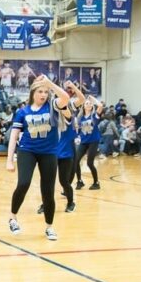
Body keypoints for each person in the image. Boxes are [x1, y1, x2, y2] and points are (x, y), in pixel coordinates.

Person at [6, 76, 70, 241]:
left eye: (46, 92)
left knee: (48, 192)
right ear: (33, 93)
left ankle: (49, 227)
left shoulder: (52, 106)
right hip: (27, 151)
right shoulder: (22, 112)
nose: (43, 94)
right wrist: (9, 160)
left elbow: (65, 98)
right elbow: (14, 136)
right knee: (24, 183)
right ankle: (13, 217)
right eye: (40, 91)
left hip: (49, 152)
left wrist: (49, 84)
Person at [39, 80, 84, 216]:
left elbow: (78, 99)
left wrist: (73, 86)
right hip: (50, 152)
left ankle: (71, 202)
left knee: (64, 181)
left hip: (65, 152)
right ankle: (46, 203)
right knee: (47, 181)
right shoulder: (49, 109)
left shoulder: (67, 109)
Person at [74, 96, 104, 190]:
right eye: (87, 103)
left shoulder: (94, 115)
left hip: (93, 141)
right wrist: (77, 137)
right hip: (83, 141)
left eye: (90, 103)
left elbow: (100, 106)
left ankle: (96, 182)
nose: (89, 104)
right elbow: (77, 131)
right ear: (83, 106)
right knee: (76, 161)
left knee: (89, 163)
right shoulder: (80, 118)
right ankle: (79, 181)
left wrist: (92, 99)